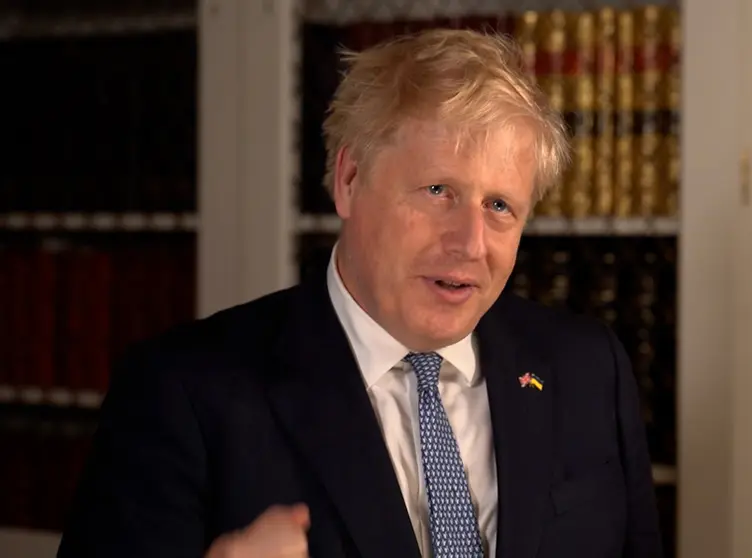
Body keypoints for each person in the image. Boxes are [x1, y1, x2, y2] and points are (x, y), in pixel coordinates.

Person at [56, 29, 663, 558]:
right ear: (349, 180)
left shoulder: (588, 368)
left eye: (500, 206)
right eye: (437, 191)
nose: (471, 242)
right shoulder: (183, 393)